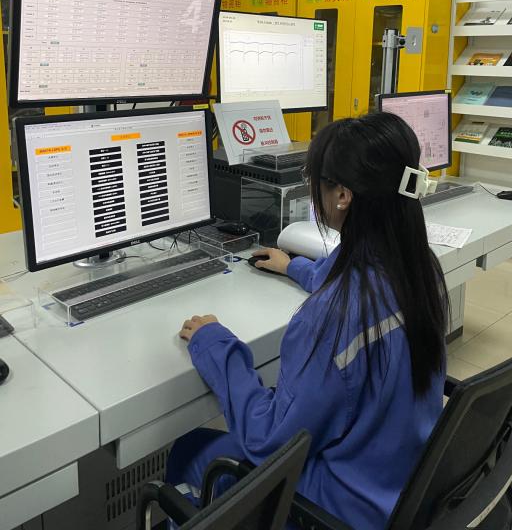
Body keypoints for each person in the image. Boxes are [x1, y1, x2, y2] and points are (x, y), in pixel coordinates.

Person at [169, 112, 449, 529]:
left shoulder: (332, 317)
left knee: (189, 451)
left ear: (343, 196)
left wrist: (216, 344)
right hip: (402, 483)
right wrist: (295, 267)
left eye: (313, 179)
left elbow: (268, 440)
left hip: (337, 510)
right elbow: (351, 276)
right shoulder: (419, 268)